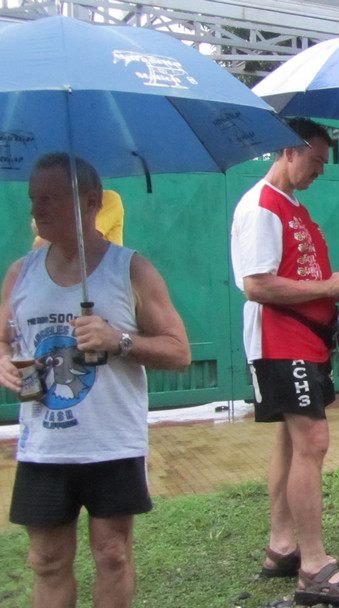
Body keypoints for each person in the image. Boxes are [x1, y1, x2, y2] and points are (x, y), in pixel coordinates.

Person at [0, 153, 191, 608]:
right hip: (44, 444)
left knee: (112, 554)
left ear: (90, 201)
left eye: (48, 198)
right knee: (47, 559)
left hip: (111, 443)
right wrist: (3, 358)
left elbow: (179, 352)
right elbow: (2, 338)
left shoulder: (132, 270)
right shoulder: (20, 273)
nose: (35, 209)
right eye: (32, 198)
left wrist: (117, 340)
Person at [230, 118, 339, 604]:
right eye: (316, 160)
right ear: (289, 151)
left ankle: (282, 546)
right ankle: (313, 566)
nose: (321, 170)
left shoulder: (293, 205)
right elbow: (257, 284)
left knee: (291, 443)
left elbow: (302, 277)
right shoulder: (261, 206)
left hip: (304, 339)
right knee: (313, 441)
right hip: (280, 339)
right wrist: (329, 286)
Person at [32, 189, 125, 248]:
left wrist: (52, 233)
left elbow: (86, 238)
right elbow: (39, 249)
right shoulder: (59, 210)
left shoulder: (108, 198)